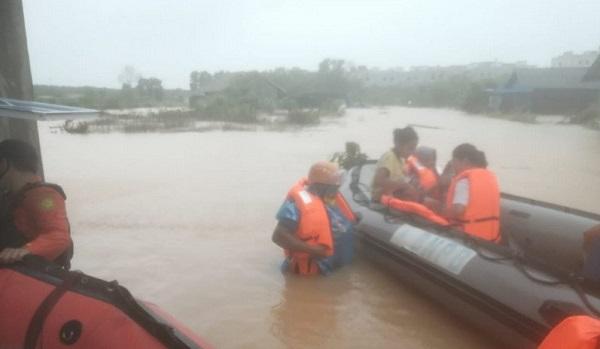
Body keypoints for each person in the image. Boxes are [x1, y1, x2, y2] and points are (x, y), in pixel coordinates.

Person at [271, 161, 355, 276]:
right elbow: (278, 236)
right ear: (319, 186)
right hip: (307, 274)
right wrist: (313, 250)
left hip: (333, 269)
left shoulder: (328, 201)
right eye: (333, 188)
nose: (335, 191)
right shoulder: (295, 206)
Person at [0, 139, 72, 268]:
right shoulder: (12, 196)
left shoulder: (43, 196)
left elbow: (59, 236)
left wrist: (25, 251)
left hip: (33, 277)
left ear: (4, 164)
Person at [444, 143, 501, 242]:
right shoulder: (489, 178)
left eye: (454, 162)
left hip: (468, 238)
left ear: (465, 162)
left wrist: (442, 211)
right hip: (490, 240)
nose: (453, 166)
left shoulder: (464, 180)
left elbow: (458, 209)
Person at [371, 127, 419, 202]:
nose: (412, 152)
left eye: (414, 148)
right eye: (410, 148)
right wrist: (404, 185)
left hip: (395, 196)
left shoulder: (401, 160)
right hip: (382, 200)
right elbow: (379, 180)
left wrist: (411, 182)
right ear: (398, 144)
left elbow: (399, 179)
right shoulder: (389, 157)